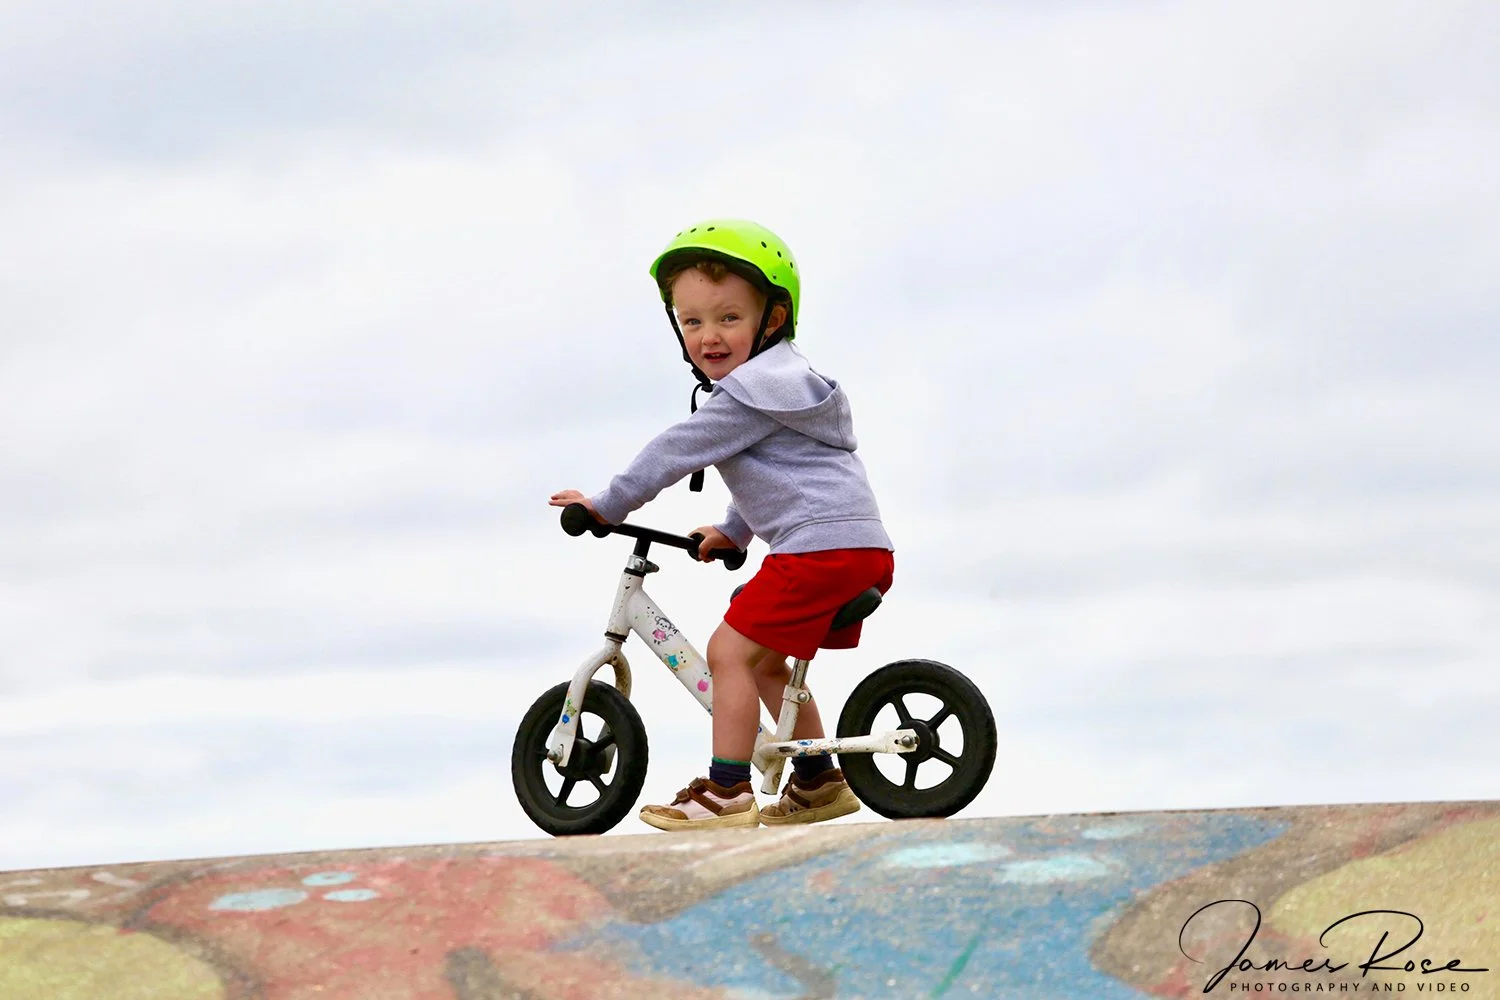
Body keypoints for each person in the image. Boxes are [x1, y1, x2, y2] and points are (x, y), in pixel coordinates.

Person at [548, 218, 893, 831]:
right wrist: (735, 531)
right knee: (762, 660)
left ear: (773, 320)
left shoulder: (745, 394)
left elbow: (672, 451)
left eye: (728, 318)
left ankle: (727, 792)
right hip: (854, 546)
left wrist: (607, 504)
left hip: (818, 549)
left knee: (726, 652)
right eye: (692, 321)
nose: (708, 336)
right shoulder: (780, 388)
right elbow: (783, 477)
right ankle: (817, 781)